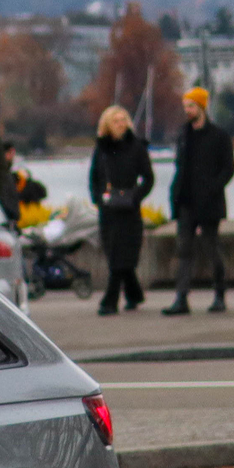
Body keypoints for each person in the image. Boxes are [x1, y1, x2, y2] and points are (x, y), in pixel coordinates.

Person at [164, 86, 234, 315]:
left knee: (211, 248)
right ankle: (181, 297)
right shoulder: (183, 135)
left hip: (209, 203)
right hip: (186, 201)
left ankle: (219, 294)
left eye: (191, 106)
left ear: (202, 107)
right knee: (183, 250)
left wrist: (212, 187)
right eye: (185, 106)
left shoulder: (219, 136)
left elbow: (228, 168)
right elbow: (179, 166)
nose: (187, 110)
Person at [89, 104, 154, 315]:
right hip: (108, 210)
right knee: (115, 254)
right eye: (116, 121)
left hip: (129, 209)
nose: (121, 124)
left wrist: (135, 196)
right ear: (107, 124)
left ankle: (110, 299)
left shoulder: (136, 147)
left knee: (123, 254)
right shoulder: (101, 149)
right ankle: (134, 293)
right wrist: (98, 199)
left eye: (123, 120)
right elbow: (94, 178)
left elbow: (149, 178)